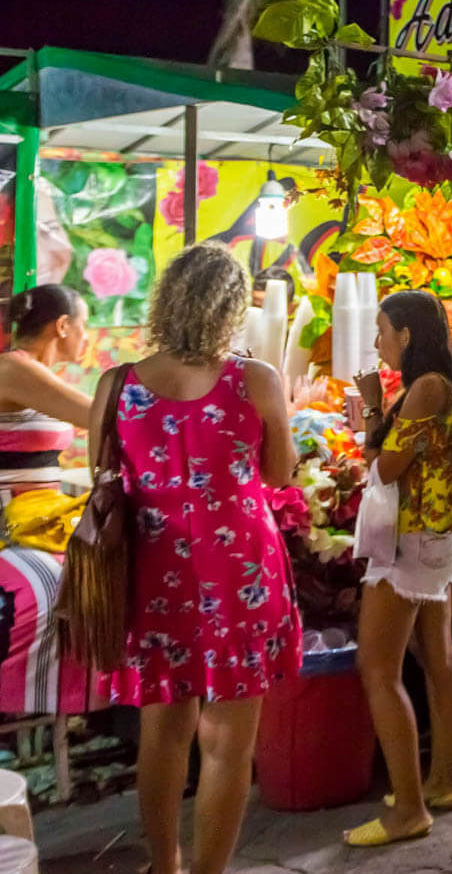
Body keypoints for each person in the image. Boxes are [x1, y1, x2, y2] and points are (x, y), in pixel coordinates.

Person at [99, 244, 300, 874]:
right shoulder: (254, 380)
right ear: (232, 307)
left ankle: (166, 865)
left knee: (163, 731)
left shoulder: (118, 383)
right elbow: (280, 473)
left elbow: (102, 477)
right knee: (228, 745)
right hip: (238, 567)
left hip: (154, 571)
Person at [345, 290, 452, 847]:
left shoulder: (426, 388)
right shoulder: (443, 382)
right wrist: (374, 407)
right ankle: (439, 783)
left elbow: (383, 467)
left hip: (417, 538)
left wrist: (373, 406)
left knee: (376, 667)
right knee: (436, 656)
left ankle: (408, 809)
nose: (378, 342)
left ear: (406, 335)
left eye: (383, 331)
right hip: (439, 535)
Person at [0, 286, 95, 550]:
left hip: (34, 517)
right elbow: (96, 414)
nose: (86, 337)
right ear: (63, 325)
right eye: (83, 325)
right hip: (10, 522)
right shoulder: (13, 368)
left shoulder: (31, 371)